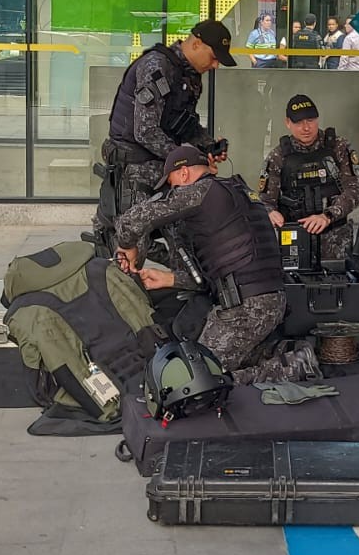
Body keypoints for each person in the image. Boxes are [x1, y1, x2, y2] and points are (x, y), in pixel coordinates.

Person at [115, 145, 311, 385]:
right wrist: (170, 279)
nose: (173, 190)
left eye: (173, 183)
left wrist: (128, 247)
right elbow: (223, 271)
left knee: (197, 379)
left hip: (244, 309)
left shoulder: (201, 191)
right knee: (227, 353)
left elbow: (132, 219)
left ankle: (290, 368)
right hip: (269, 301)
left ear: (184, 173)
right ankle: (283, 352)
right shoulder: (239, 191)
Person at [90, 20, 236, 258]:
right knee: (133, 248)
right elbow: (145, 132)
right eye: (213, 57)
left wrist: (207, 146)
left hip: (163, 167)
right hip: (135, 169)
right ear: (197, 44)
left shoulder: (188, 75)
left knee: (187, 241)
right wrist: (187, 160)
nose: (216, 65)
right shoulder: (156, 67)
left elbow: (183, 123)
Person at [258, 94, 359, 265]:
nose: (306, 128)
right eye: (298, 123)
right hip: (295, 237)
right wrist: (270, 212)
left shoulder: (339, 147)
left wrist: (328, 215)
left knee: (336, 287)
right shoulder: (278, 156)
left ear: (318, 119)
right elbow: (265, 199)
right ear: (287, 123)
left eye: (310, 120)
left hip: (334, 237)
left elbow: (355, 190)